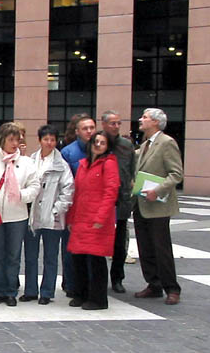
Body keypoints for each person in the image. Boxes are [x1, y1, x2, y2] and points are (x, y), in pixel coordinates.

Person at [0, 123, 41, 306]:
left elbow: (35, 186)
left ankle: (10, 292)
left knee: (13, 256)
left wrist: (22, 195)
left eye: (17, 140)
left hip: (17, 216)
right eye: (11, 140)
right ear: (2, 140)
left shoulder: (26, 163)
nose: (15, 143)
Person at [133, 108, 184, 305]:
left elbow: (176, 174)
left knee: (161, 248)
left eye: (145, 117)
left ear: (155, 122)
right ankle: (153, 284)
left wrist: (158, 190)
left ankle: (172, 288)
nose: (141, 119)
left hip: (158, 206)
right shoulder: (145, 144)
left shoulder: (167, 143)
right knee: (145, 247)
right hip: (141, 203)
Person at [66, 131, 120, 310]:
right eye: (96, 141)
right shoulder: (84, 164)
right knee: (79, 258)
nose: (98, 145)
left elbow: (111, 193)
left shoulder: (109, 164)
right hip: (81, 218)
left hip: (97, 220)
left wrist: (101, 218)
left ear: (108, 146)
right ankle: (81, 294)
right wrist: (71, 218)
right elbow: (77, 193)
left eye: (102, 143)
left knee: (96, 260)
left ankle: (98, 299)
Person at [22, 125, 74, 305]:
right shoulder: (31, 160)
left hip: (53, 217)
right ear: (39, 140)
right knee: (30, 256)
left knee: (51, 257)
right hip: (32, 215)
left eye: (52, 139)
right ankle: (30, 290)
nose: (49, 143)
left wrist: (56, 210)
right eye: (46, 139)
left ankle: (47, 292)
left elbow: (68, 190)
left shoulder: (62, 165)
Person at [59, 114, 96, 296]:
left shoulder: (102, 150)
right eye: (85, 128)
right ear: (77, 131)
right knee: (70, 248)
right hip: (73, 208)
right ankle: (71, 284)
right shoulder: (68, 153)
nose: (89, 131)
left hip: (93, 209)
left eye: (92, 128)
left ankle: (91, 285)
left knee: (92, 249)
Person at [101, 110, 136, 294]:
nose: (116, 127)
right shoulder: (98, 143)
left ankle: (117, 278)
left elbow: (131, 172)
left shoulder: (126, 146)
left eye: (118, 123)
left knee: (120, 243)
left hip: (121, 201)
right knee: (99, 242)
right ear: (104, 124)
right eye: (112, 123)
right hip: (101, 202)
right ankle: (98, 278)